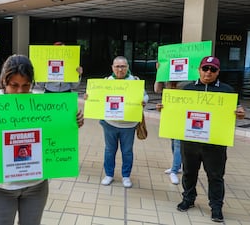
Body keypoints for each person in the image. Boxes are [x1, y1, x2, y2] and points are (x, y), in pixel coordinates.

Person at [0, 54, 84, 225]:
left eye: (26, 85)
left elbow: (58, 131)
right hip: (0, 188)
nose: (20, 91)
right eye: (14, 85)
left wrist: (73, 122)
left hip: (36, 186)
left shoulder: (43, 104)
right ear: (4, 82)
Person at [156, 56, 246, 223]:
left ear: (218, 72)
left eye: (213, 69)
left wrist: (239, 112)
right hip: (190, 142)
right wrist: (165, 109)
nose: (208, 73)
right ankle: (188, 199)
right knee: (189, 173)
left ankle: (216, 207)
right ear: (199, 70)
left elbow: (236, 110)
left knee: (215, 176)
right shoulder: (187, 89)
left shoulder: (227, 91)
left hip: (215, 143)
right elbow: (177, 112)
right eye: (205, 68)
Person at [96, 56, 149, 188]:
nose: (120, 69)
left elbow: (145, 95)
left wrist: (144, 101)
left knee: (127, 152)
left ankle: (126, 176)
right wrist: (89, 97)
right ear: (112, 67)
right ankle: (109, 175)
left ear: (127, 67)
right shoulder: (106, 81)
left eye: (123, 66)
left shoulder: (135, 81)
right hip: (110, 123)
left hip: (129, 125)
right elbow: (97, 98)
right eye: (117, 66)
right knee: (109, 150)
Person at [154, 66, 183, 185]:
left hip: (183, 113)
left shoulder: (190, 79)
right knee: (173, 141)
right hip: (170, 113)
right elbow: (157, 89)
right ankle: (177, 166)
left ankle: (174, 170)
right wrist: (160, 72)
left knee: (178, 143)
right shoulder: (167, 76)